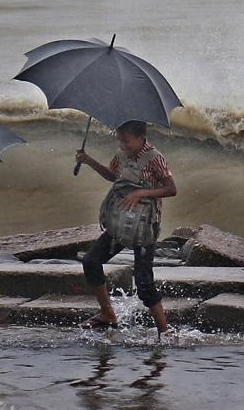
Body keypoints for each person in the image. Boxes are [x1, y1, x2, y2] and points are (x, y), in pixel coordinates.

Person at [75, 120, 177, 337]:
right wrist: (88, 160)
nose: (122, 144)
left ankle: (165, 331)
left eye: (127, 140)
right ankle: (107, 314)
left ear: (141, 137)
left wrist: (141, 193)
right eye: (119, 139)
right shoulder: (121, 155)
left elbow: (171, 189)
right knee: (91, 261)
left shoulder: (155, 158)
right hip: (121, 223)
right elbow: (113, 177)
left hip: (144, 227)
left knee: (143, 283)